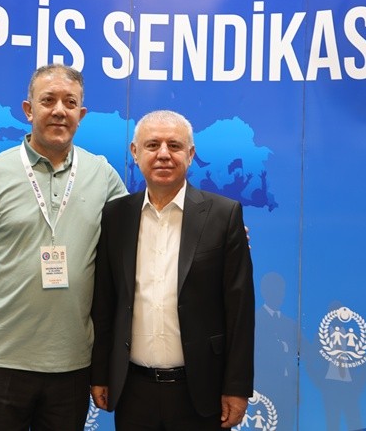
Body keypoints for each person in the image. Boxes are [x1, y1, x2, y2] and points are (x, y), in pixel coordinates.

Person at [0, 64, 128, 430]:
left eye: (70, 102)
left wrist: (219, 235)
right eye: (48, 100)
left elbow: (142, 235)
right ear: (28, 110)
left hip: (73, 365)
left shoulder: (103, 175)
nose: (59, 110)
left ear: (81, 114)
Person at [90, 110, 255, 430]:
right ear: (135, 152)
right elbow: (105, 302)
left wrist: (236, 386)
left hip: (201, 390)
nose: (163, 154)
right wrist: (100, 374)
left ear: (190, 154)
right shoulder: (115, 216)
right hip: (133, 390)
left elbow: (240, 310)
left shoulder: (223, 215)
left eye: (174, 145)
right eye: (152, 145)